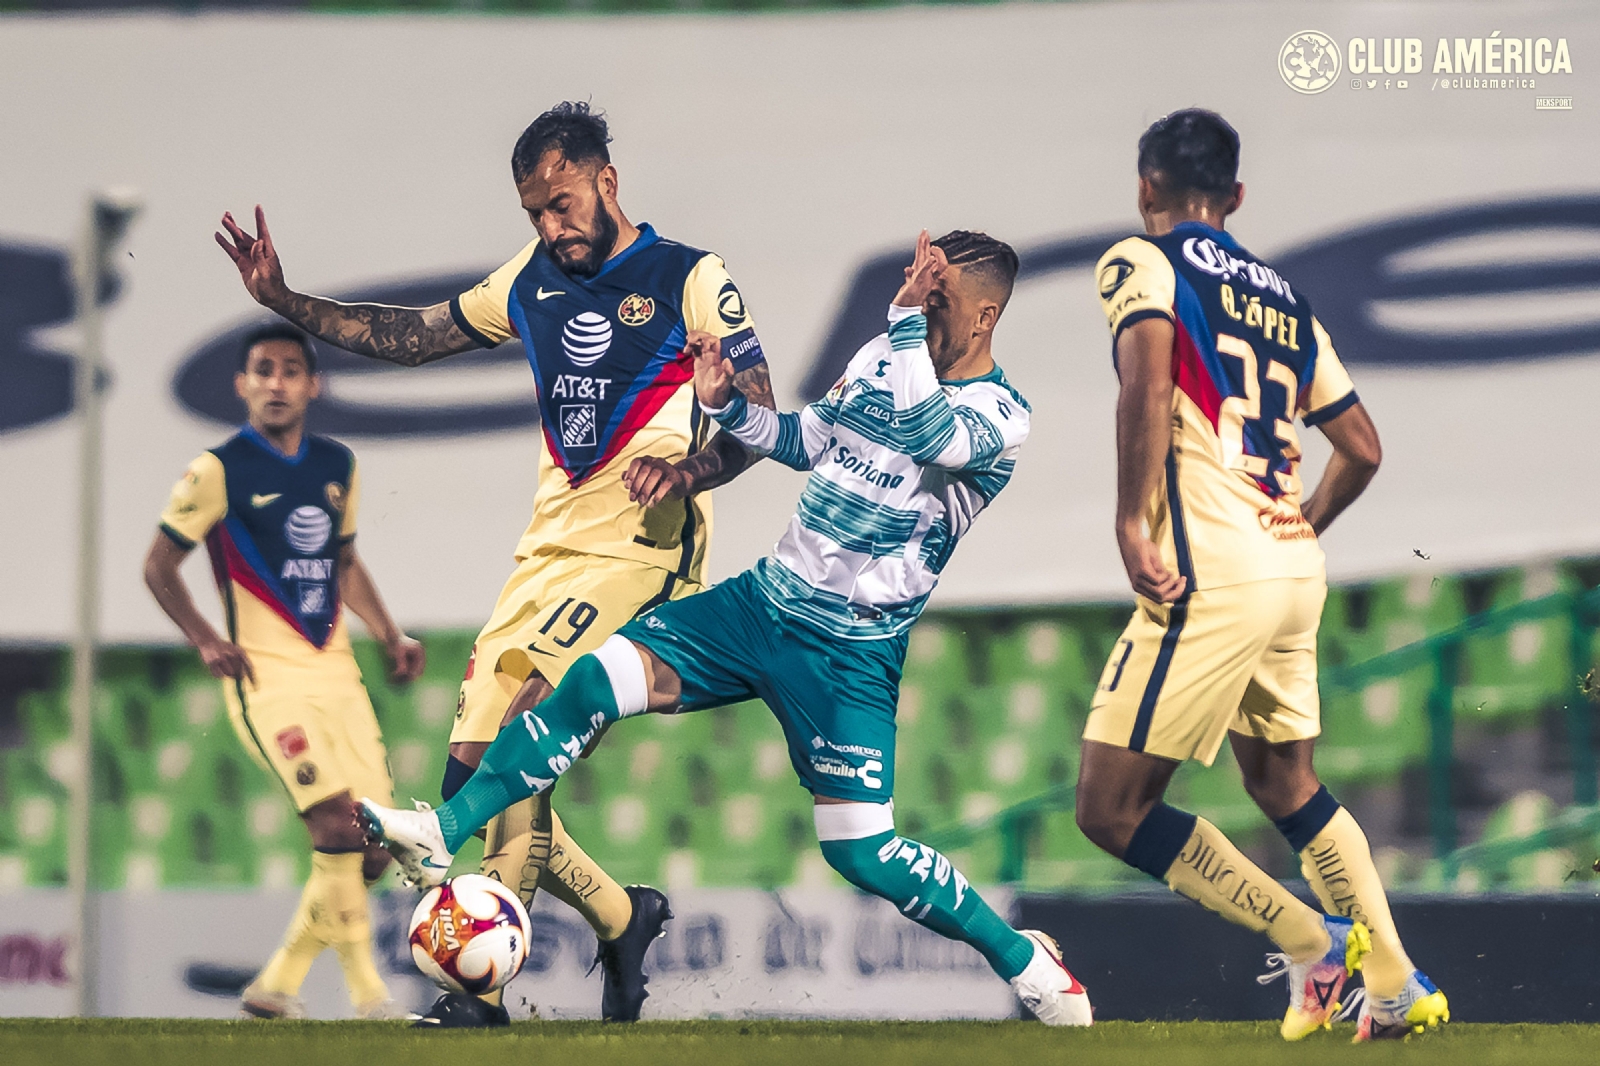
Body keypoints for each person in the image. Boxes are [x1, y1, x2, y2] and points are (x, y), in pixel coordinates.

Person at [361, 229, 1095, 1026]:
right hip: (762, 605)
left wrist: (903, 319)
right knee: (595, 678)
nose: (920, 305)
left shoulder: (1001, 415)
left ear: (984, 317)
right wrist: (725, 406)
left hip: (849, 652)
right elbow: (805, 441)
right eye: (920, 292)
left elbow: (929, 435)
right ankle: (442, 832)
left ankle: (1025, 961)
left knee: (862, 852)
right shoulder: (887, 355)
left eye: (938, 298)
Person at [214, 102, 774, 1026]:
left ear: (607, 181)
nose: (551, 228)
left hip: (641, 550)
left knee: (526, 731)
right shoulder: (530, 279)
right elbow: (410, 337)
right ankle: (623, 917)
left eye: (562, 203)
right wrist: (286, 301)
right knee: (474, 775)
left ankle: (477, 994)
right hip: (546, 552)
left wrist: (686, 470)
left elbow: (757, 415)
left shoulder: (690, 277)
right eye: (535, 214)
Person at [1074, 108, 1447, 1042]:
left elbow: (1147, 382)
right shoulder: (1286, 299)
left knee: (1111, 809)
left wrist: (1131, 522)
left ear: (1145, 187)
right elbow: (1362, 446)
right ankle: (1394, 984)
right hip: (1290, 563)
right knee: (1286, 784)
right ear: (1235, 196)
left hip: (1214, 566)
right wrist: (1300, 523)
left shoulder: (1141, 261)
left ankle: (1312, 942)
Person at [144, 325, 424, 1020]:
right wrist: (206, 640)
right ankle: (369, 997)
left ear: (312, 385)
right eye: (263, 370)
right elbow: (158, 565)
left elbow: (343, 562)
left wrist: (388, 634)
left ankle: (277, 982)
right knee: (335, 823)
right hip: (267, 681)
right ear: (242, 385)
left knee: (375, 847)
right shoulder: (216, 470)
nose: (276, 382)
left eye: (290, 370)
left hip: (338, 677)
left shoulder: (338, 464)